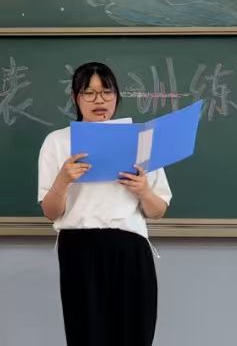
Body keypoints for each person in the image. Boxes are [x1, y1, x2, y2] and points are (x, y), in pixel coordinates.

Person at [36, 62, 172, 346]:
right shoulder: (57, 141)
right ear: (75, 98)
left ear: (117, 96)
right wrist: (63, 180)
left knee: (135, 333)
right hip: (79, 248)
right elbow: (50, 212)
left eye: (107, 92)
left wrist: (143, 191)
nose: (99, 100)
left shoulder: (141, 141)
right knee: (87, 334)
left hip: (130, 248)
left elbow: (158, 211)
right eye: (89, 93)